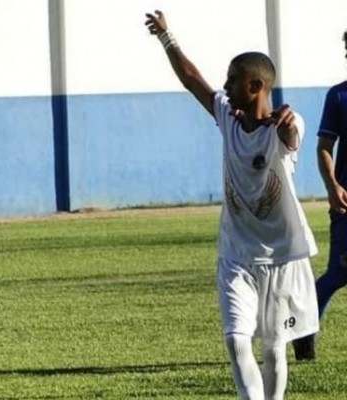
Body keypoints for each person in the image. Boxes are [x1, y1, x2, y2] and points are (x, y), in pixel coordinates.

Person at [145, 10, 319, 400]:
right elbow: (193, 80)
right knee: (236, 339)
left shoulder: (283, 128)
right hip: (236, 254)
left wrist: (287, 124)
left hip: (281, 256)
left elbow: (293, 136)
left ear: (255, 86)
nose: (224, 87)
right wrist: (166, 38)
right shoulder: (227, 116)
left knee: (273, 347)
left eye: (232, 80)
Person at [292, 30, 347, 361]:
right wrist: (332, 185)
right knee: (340, 273)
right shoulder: (338, 96)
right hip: (346, 203)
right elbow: (324, 146)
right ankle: (302, 331)